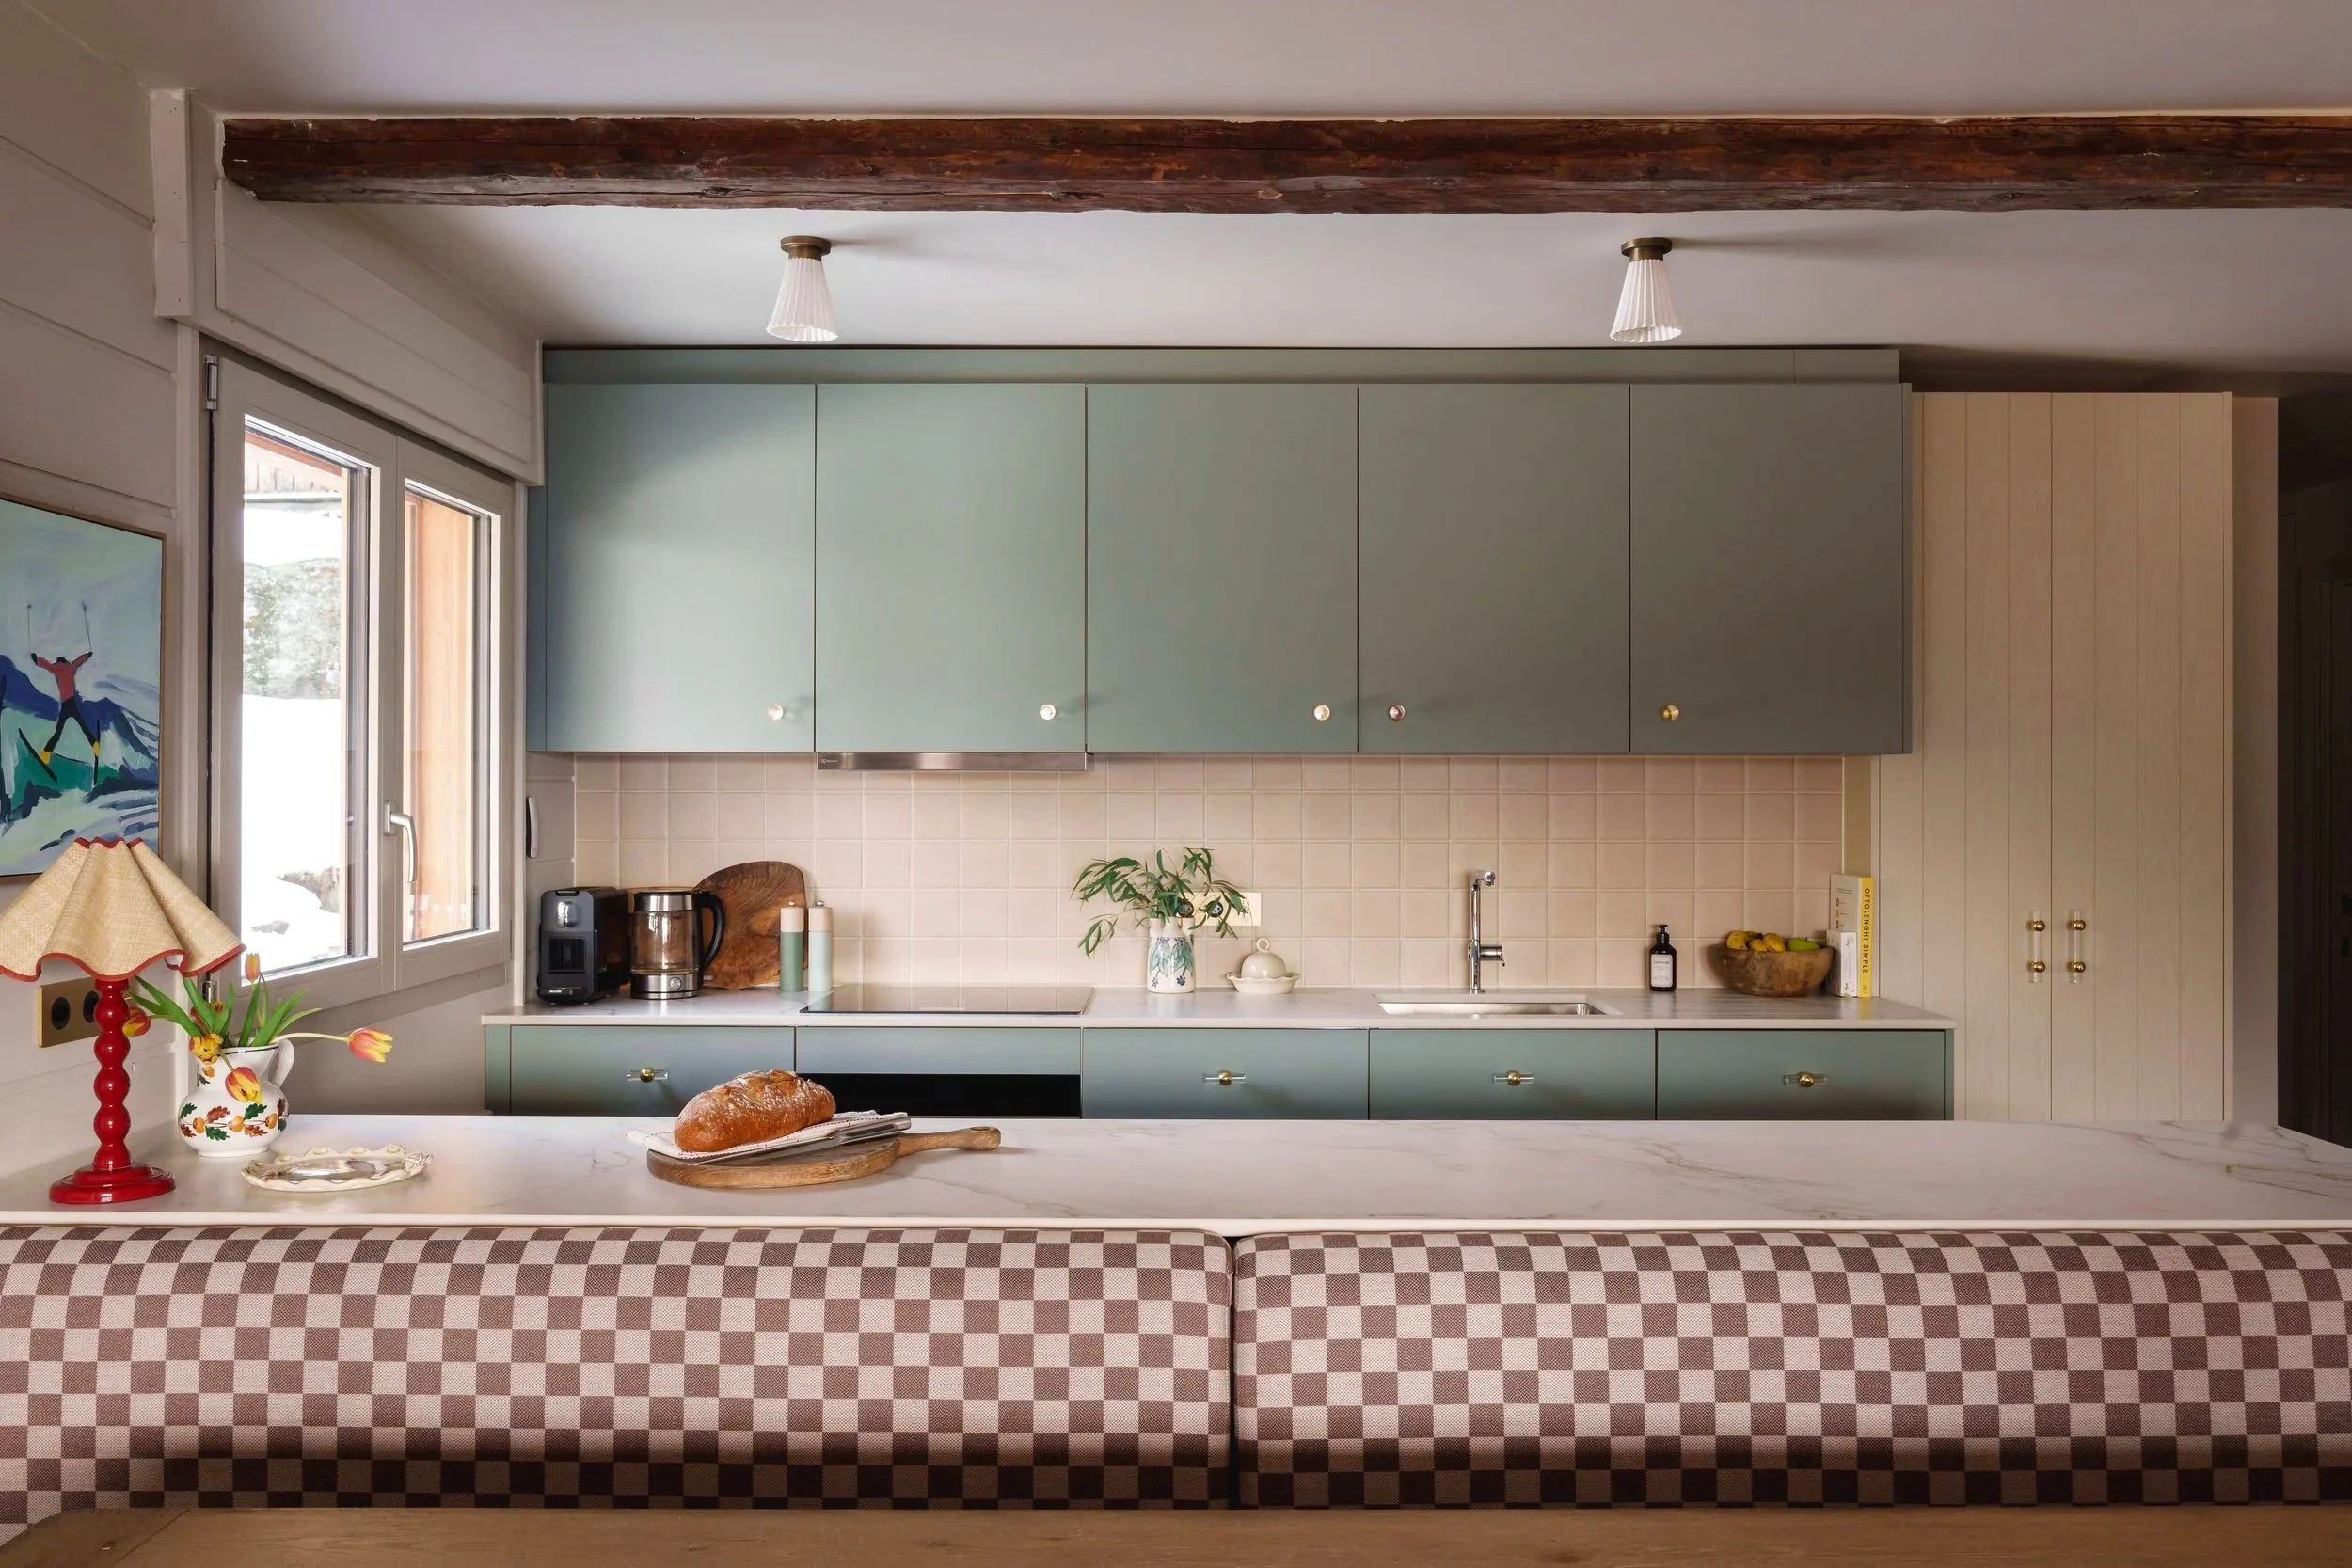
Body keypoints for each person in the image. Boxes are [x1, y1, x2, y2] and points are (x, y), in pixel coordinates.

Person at [32, 648, 98, 768]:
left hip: (65, 705)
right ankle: (95, 745)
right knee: (83, 726)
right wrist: (88, 655)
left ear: (58, 662)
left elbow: (46, 665)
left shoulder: (56, 668)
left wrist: (36, 659)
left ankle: (46, 754)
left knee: (58, 733)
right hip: (72, 703)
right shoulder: (70, 667)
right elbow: (79, 661)